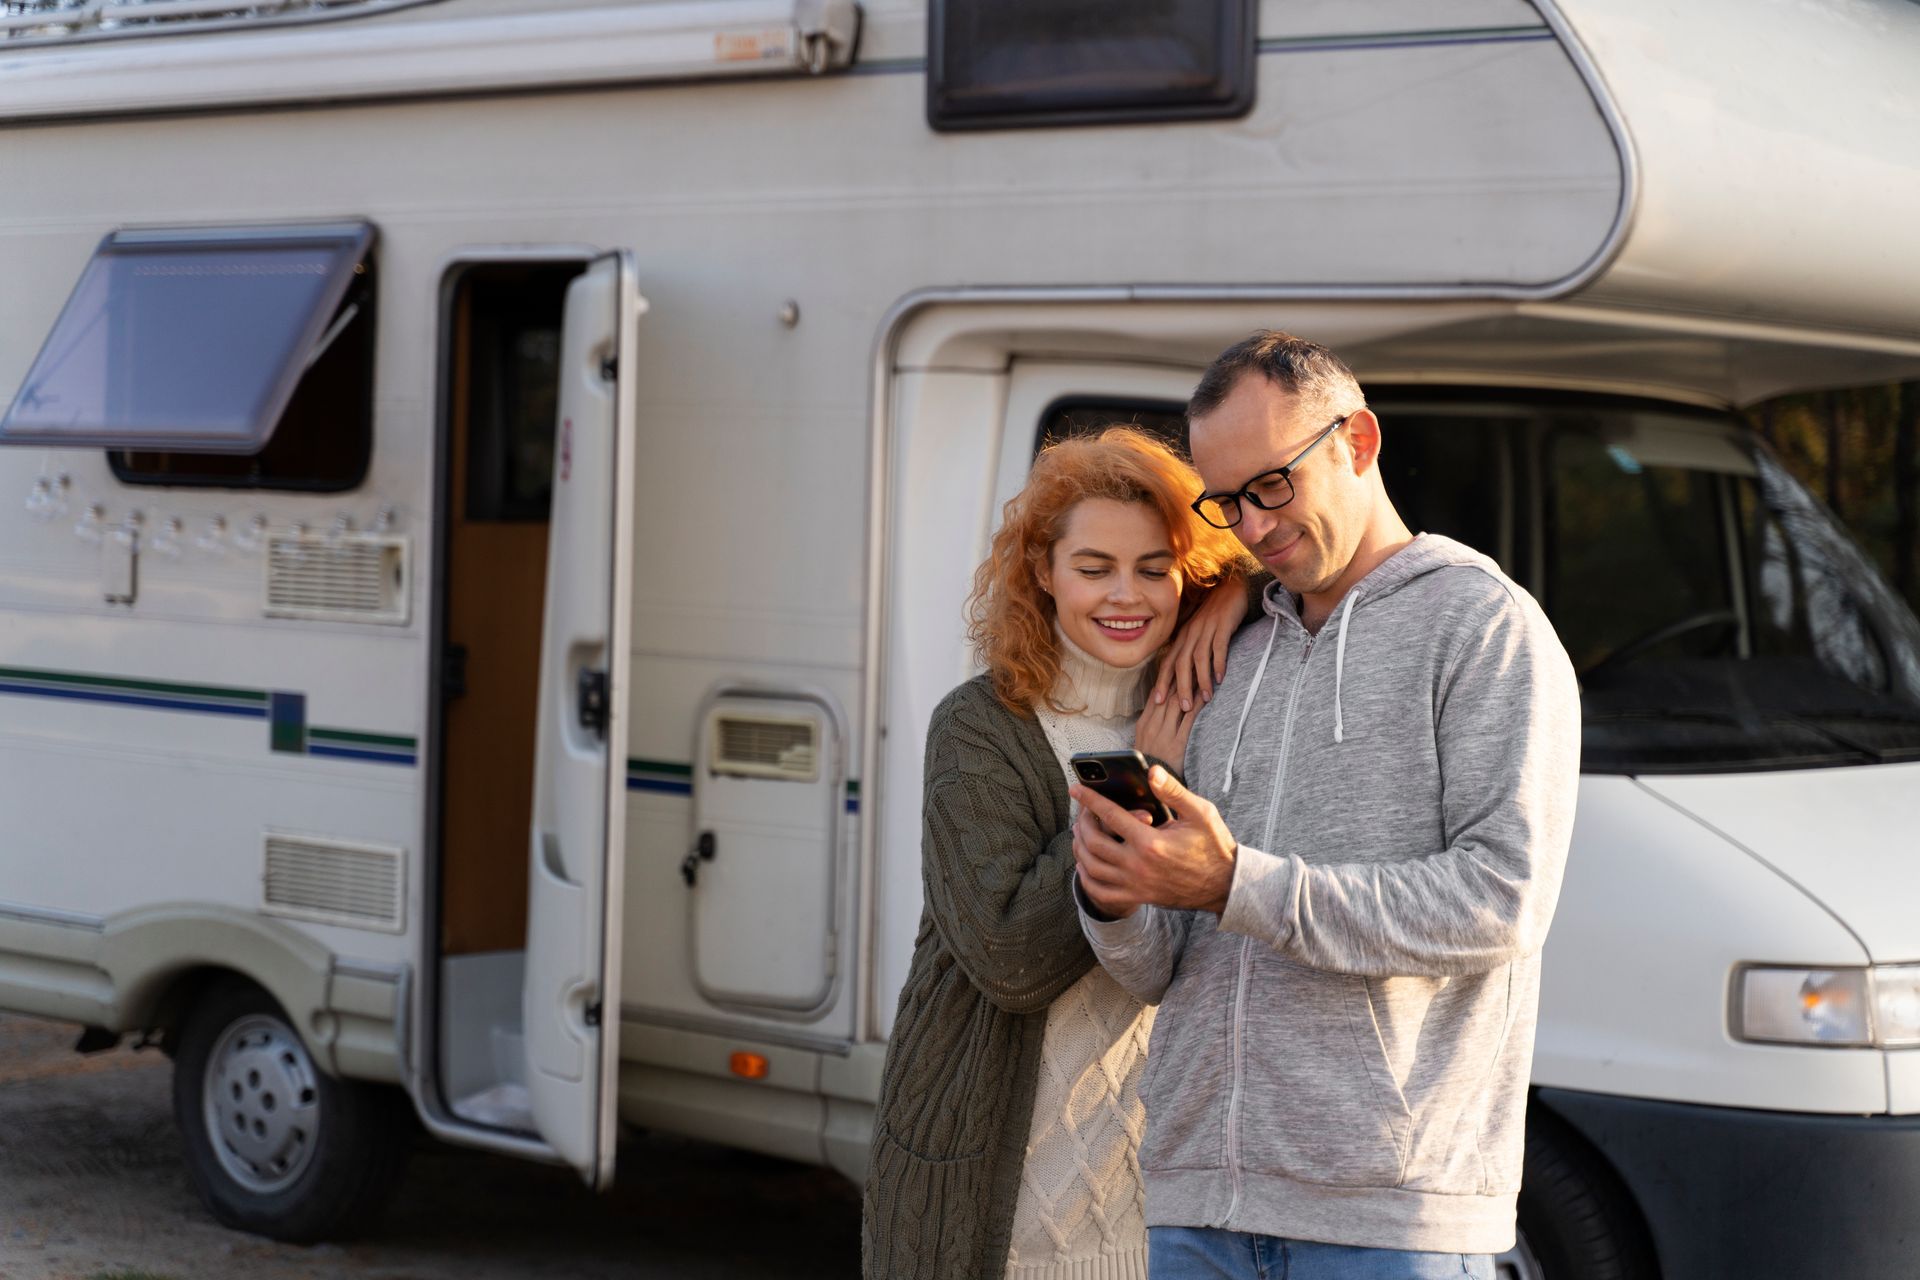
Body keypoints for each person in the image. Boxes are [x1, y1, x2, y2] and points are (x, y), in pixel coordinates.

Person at [1071, 332, 1581, 1280]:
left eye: (1273, 485)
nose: (1253, 527)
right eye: (1226, 501)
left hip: (1390, 1220)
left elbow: (1501, 901)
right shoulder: (1220, 654)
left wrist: (1235, 882)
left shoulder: (1483, 627)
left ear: (1357, 442)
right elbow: (1160, 971)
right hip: (1194, 1208)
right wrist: (1117, 889)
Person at [863, 427, 1252, 1280]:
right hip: (999, 1213)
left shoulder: (1213, 702)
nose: (1127, 595)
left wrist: (1235, 595)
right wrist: (1143, 779)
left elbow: (1302, 572)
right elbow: (1009, 959)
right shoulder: (980, 727)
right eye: (1094, 567)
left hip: (1161, 1214)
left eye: (1156, 567)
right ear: (1042, 571)